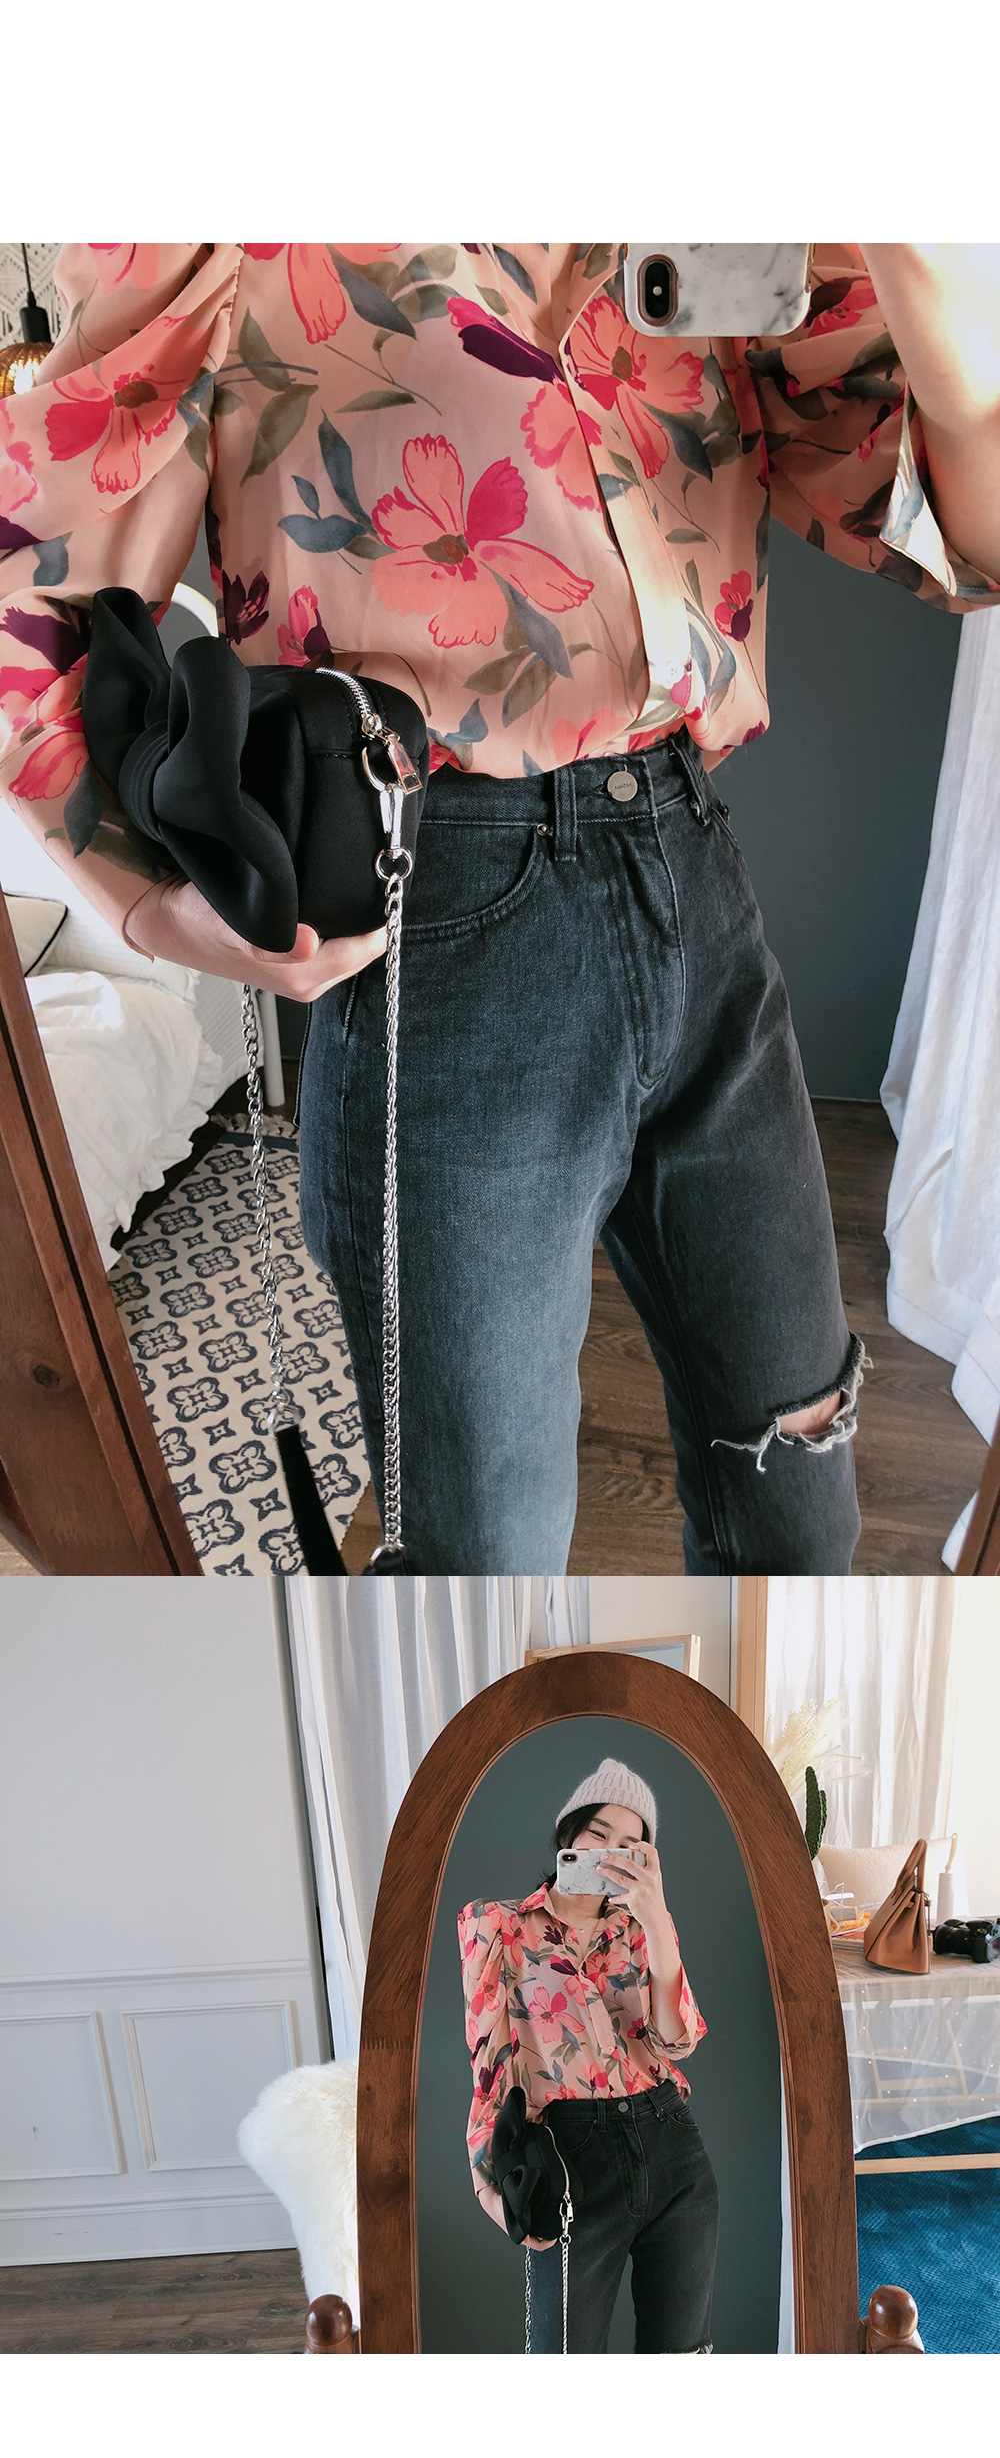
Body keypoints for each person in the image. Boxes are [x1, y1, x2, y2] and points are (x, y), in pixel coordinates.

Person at [3, 252, 998, 1566]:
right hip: (443, 917)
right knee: (482, 1556)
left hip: (692, 865)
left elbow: (968, 533)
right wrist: (150, 906)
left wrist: (919, 263)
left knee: (798, 1485)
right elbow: (36, 565)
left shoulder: (727, 223)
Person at [459, 1754, 719, 2353]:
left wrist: (658, 1922)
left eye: (629, 1846)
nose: (609, 1852)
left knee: (683, 2360)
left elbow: (676, 2042)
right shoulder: (497, 1928)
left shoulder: (642, 1931)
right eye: (599, 1833)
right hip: (570, 2154)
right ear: (569, 1834)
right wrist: (488, 2184)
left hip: (670, 2142)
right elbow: (490, 2067)